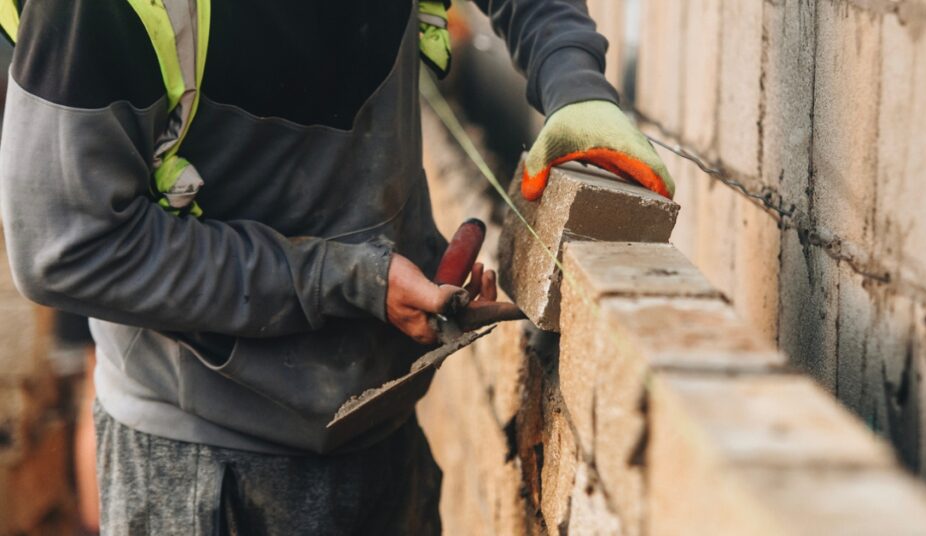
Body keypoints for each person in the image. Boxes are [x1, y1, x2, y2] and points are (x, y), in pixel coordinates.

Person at [0, 0, 673, 533]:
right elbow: (69, 247)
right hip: (206, 470)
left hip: (378, 432)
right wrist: (353, 280)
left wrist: (574, 81)